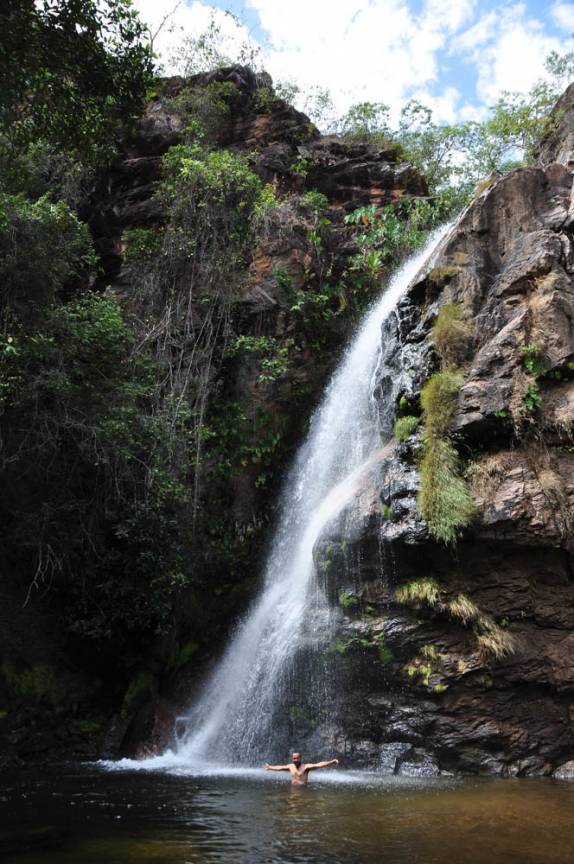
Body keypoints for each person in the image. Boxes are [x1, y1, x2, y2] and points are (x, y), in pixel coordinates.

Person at [263, 751, 339, 785]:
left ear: (300, 758)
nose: (295, 760)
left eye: (297, 758)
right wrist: (270, 767)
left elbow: (318, 764)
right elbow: (280, 767)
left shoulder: (306, 767)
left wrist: (331, 762)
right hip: (293, 789)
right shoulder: (290, 766)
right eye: (294, 758)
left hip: (303, 790)